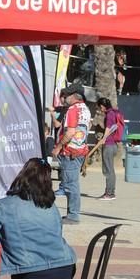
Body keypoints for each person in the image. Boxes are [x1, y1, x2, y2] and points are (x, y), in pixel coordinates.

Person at [50, 83, 91, 224]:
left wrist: (58, 147)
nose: (64, 97)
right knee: (72, 183)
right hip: (79, 151)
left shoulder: (73, 110)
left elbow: (70, 132)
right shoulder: (85, 109)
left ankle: (73, 215)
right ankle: (72, 214)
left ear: (74, 96)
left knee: (70, 185)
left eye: (67, 95)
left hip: (70, 152)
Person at [96, 97, 123, 200]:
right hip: (113, 145)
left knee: (108, 170)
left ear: (102, 106)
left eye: (99, 107)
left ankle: (109, 193)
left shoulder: (109, 114)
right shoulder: (113, 112)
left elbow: (108, 128)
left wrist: (103, 138)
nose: (99, 110)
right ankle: (110, 192)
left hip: (109, 145)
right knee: (110, 169)